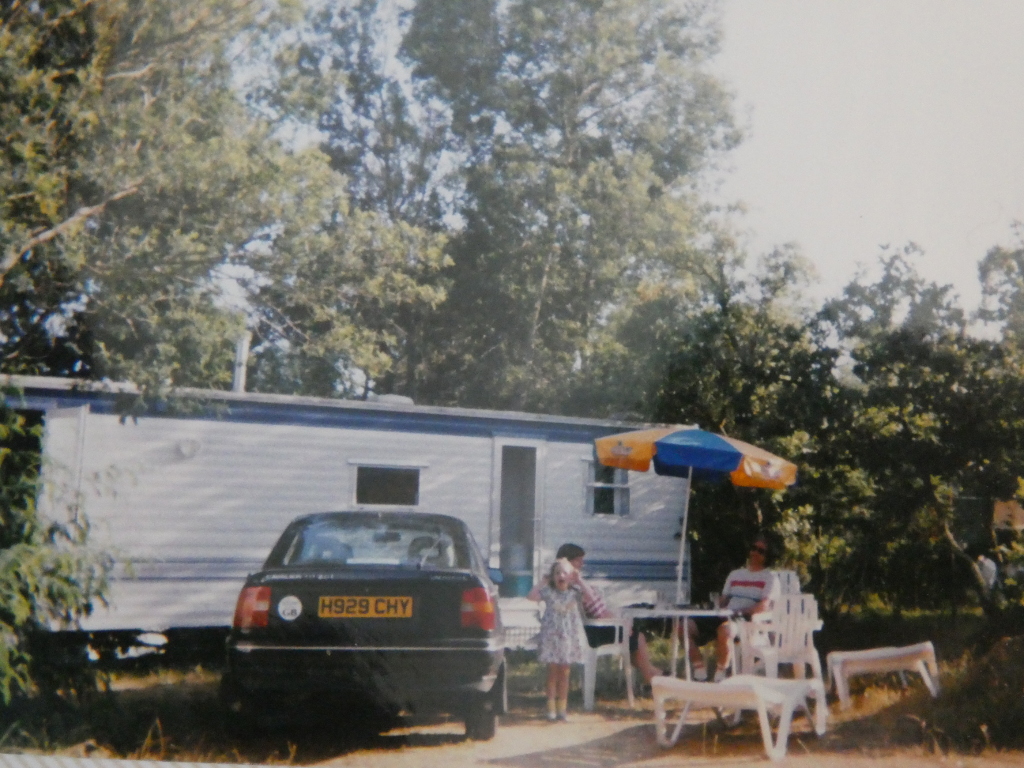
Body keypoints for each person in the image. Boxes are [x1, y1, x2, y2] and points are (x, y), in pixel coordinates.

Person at [555, 543, 664, 685]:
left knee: (633, 639)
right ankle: (652, 677)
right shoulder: (576, 586)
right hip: (592, 634)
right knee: (637, 637)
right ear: (568, 562)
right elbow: (599, 613)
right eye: (578, 560)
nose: (582, 563)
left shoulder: (564, 584)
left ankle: (652, 674)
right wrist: (622, 624)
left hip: (585, 631)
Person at [686, 535, 780, 682]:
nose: (755, 553)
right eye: (753, 548)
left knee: (725, 630)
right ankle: (699, 670)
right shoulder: (735, 574)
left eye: (761, 551)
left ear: (768, 556)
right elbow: (723, 600)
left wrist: (740, 612)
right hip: (725, 614)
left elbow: (764, 606)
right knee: (684, 626)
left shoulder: (770, 578)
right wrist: (715, 606)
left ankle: (720, 675)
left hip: (748, 620)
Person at [527, 557, 587, 721]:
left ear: (570, 576)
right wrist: (542, 582)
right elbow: (531, 596)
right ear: (553, 577)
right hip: (551, 638)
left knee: (565, 674)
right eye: (557, 573)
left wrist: (579, 581)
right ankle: (551, 708)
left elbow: (589, 596)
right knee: (552, 673)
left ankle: (562, 709)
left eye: (565, 572)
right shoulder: (548, 592)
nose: (561, 575)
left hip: (567, 638)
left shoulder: (574, 593)